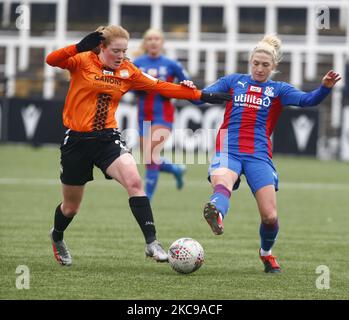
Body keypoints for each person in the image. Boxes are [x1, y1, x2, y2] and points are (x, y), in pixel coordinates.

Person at [45, 25, 230, 266]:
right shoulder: (81, 60)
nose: (121, 56)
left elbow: (161, 86)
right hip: (77, 142)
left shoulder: (127, 70)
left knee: (134, 181)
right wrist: (79, 46)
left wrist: (201, 95)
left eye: (124, 50)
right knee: (70, 208)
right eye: (116, 50)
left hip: (107, 139)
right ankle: (57, 236)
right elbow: (52, 60)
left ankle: (152, 243)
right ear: (101, 47)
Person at [194, 34, 341, 273]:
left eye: (265, 65)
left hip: (258, 154)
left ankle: (266, 253)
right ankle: (217, 214)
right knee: (223, 184)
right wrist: (192, 91)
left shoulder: (278, 90)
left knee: (270, 217)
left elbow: (307, 100)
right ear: (250, 62)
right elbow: (201, 98)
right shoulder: (233, 82)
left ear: (273, 67)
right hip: (228, 148)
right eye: (256, 63)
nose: (259, 68)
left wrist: (324, 88)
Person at [133, 29, 189, 201]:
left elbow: (187, 82)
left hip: (163, 117)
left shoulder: (172, 64)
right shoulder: (137, 63)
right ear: (145, 43)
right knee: (150, 159)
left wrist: (180, 87)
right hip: (143, 117)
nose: (153, 42)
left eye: (156, 39)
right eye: (149, 39)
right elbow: (125, 84)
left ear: (162, 42)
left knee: (151, 154)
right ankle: (175, 169)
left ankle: (146, 198)